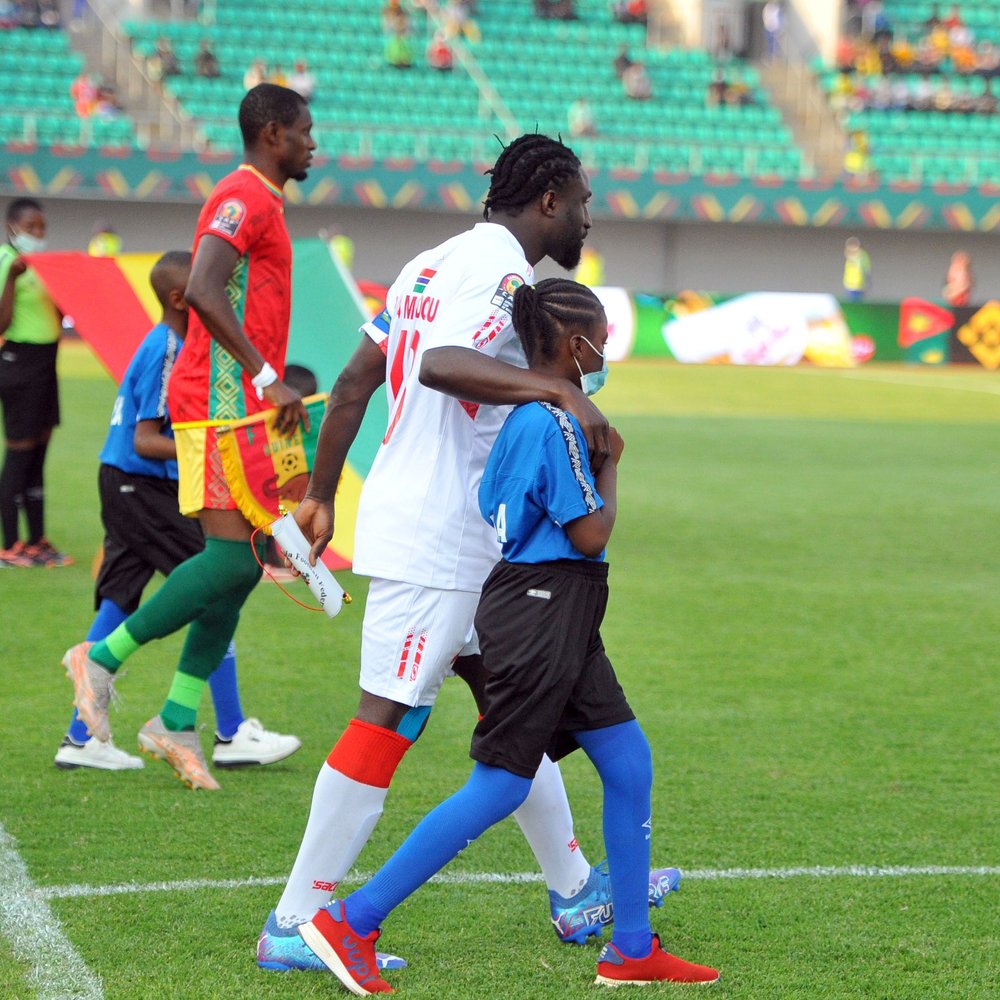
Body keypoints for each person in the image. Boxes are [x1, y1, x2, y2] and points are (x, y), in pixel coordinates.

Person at [256, 133, 680, 974]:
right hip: (440, 539)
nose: (591, 215)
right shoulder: (498, 275)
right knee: (388, 715)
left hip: (472, 541)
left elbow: (352, 383)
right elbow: (445, 364)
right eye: (584, 200)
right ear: (550, 200)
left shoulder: (427, 263)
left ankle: (573, 892)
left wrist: (319, 493)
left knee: (513, 709)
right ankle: (296, 919)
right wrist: (560, 387)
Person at [296, 279, 719, 992]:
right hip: (544, 608)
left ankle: (632, 949)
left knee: (628, 762)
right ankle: (351, 921)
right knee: (500, 784)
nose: (608, 349)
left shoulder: (529, 414)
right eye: (602, 339)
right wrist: (613, 461)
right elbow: (590, 535)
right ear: (572, 344)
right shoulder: (554, 423)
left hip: (557, 609)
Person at [62, 84, 315, 790]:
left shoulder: (265, 201)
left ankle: (174, 717)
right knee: (235, 564)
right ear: (272, 135)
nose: (312, 144)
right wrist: (267, 376)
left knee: (236, 568)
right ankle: (102, 659)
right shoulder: (242, 197)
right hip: (220, 402)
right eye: (304, 131)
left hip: (236, 406)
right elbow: (203, 287)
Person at [55, 251, 300, 771]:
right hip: (142, 486)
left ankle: (81, 739)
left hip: (128, 484)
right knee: (221, 580)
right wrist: (218, 449)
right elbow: (146, 439)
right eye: (208, 285)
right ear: (180, 298)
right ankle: (230, 732)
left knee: (120, 600)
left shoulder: (180, 344)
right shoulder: (167, 347)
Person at [0, 197, 72, 568]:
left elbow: (60, 315)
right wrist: (12, 277)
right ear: (13, 228)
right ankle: (10, 545)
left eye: (42, 228)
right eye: (32, 228)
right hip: (18, 361)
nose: (39, 235)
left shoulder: (42, 266)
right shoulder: (5, 262)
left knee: (38, 455)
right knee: (19, 453)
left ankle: (36, 540)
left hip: (47, 363)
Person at [842, 237, 871, 301]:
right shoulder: (849, 257)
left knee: (857, 302)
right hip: (849, 286)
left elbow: (866, 270)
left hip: (858, 286)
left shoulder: (862, 256)